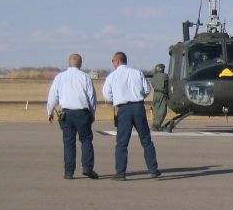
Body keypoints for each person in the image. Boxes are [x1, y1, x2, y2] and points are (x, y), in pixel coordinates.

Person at [103, 52, 161, 181]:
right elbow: (147, 89)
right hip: (138, 107)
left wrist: (115, 100)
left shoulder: (112, 76)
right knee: (146, 140)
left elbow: (106, 94)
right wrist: (139, 97)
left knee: (122, 142)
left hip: (123, 109)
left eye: (113, 60)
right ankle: (153, 169)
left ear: (117, 61)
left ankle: (120, 173)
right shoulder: (137, 73)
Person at [47, 53, 98, 180]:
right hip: (82, 113)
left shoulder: (60, 77)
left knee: (69, 142)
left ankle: (69, 172)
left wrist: (50, 111)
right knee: (86, 140)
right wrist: (92, 113)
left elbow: (53, 95)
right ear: (80, 63)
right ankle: (87, 167)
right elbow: (92, 97)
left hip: (67, 114)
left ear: (68, 63)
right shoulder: (85, 77)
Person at [150, 63, 169, 131]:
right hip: (162, 94)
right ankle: (156, 125)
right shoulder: (165, 76)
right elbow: (167, 85)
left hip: (155, 94)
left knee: (156, 109)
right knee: (163, 110)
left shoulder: (154, 77)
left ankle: (155, 123)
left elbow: (152, 84)